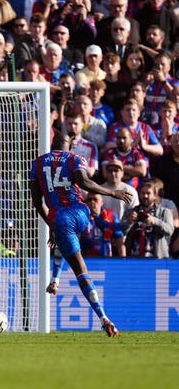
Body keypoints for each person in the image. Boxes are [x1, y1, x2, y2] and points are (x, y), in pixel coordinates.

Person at [29, 130, 131, 337]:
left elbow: (36, 201)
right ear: (70, 145)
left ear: (52, 144)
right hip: (82, 213)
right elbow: (84, 182)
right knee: (67, 238)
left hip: (59, 218)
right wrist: (112, 192)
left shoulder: (38, 163)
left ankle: (104, 318)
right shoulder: (75, 158)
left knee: (81, 271)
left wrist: (51, 223)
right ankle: (55, 280)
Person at [123, 180, 174, 258]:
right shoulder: (132, 211)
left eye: (148, 193)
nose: (145, 196)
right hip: (134, 258)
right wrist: (129, 222)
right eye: (143, 193)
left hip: (156, 258)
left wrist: (155, 221)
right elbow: (121, 232)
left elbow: (170, 230)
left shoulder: (164, 212)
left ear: (155, 195)